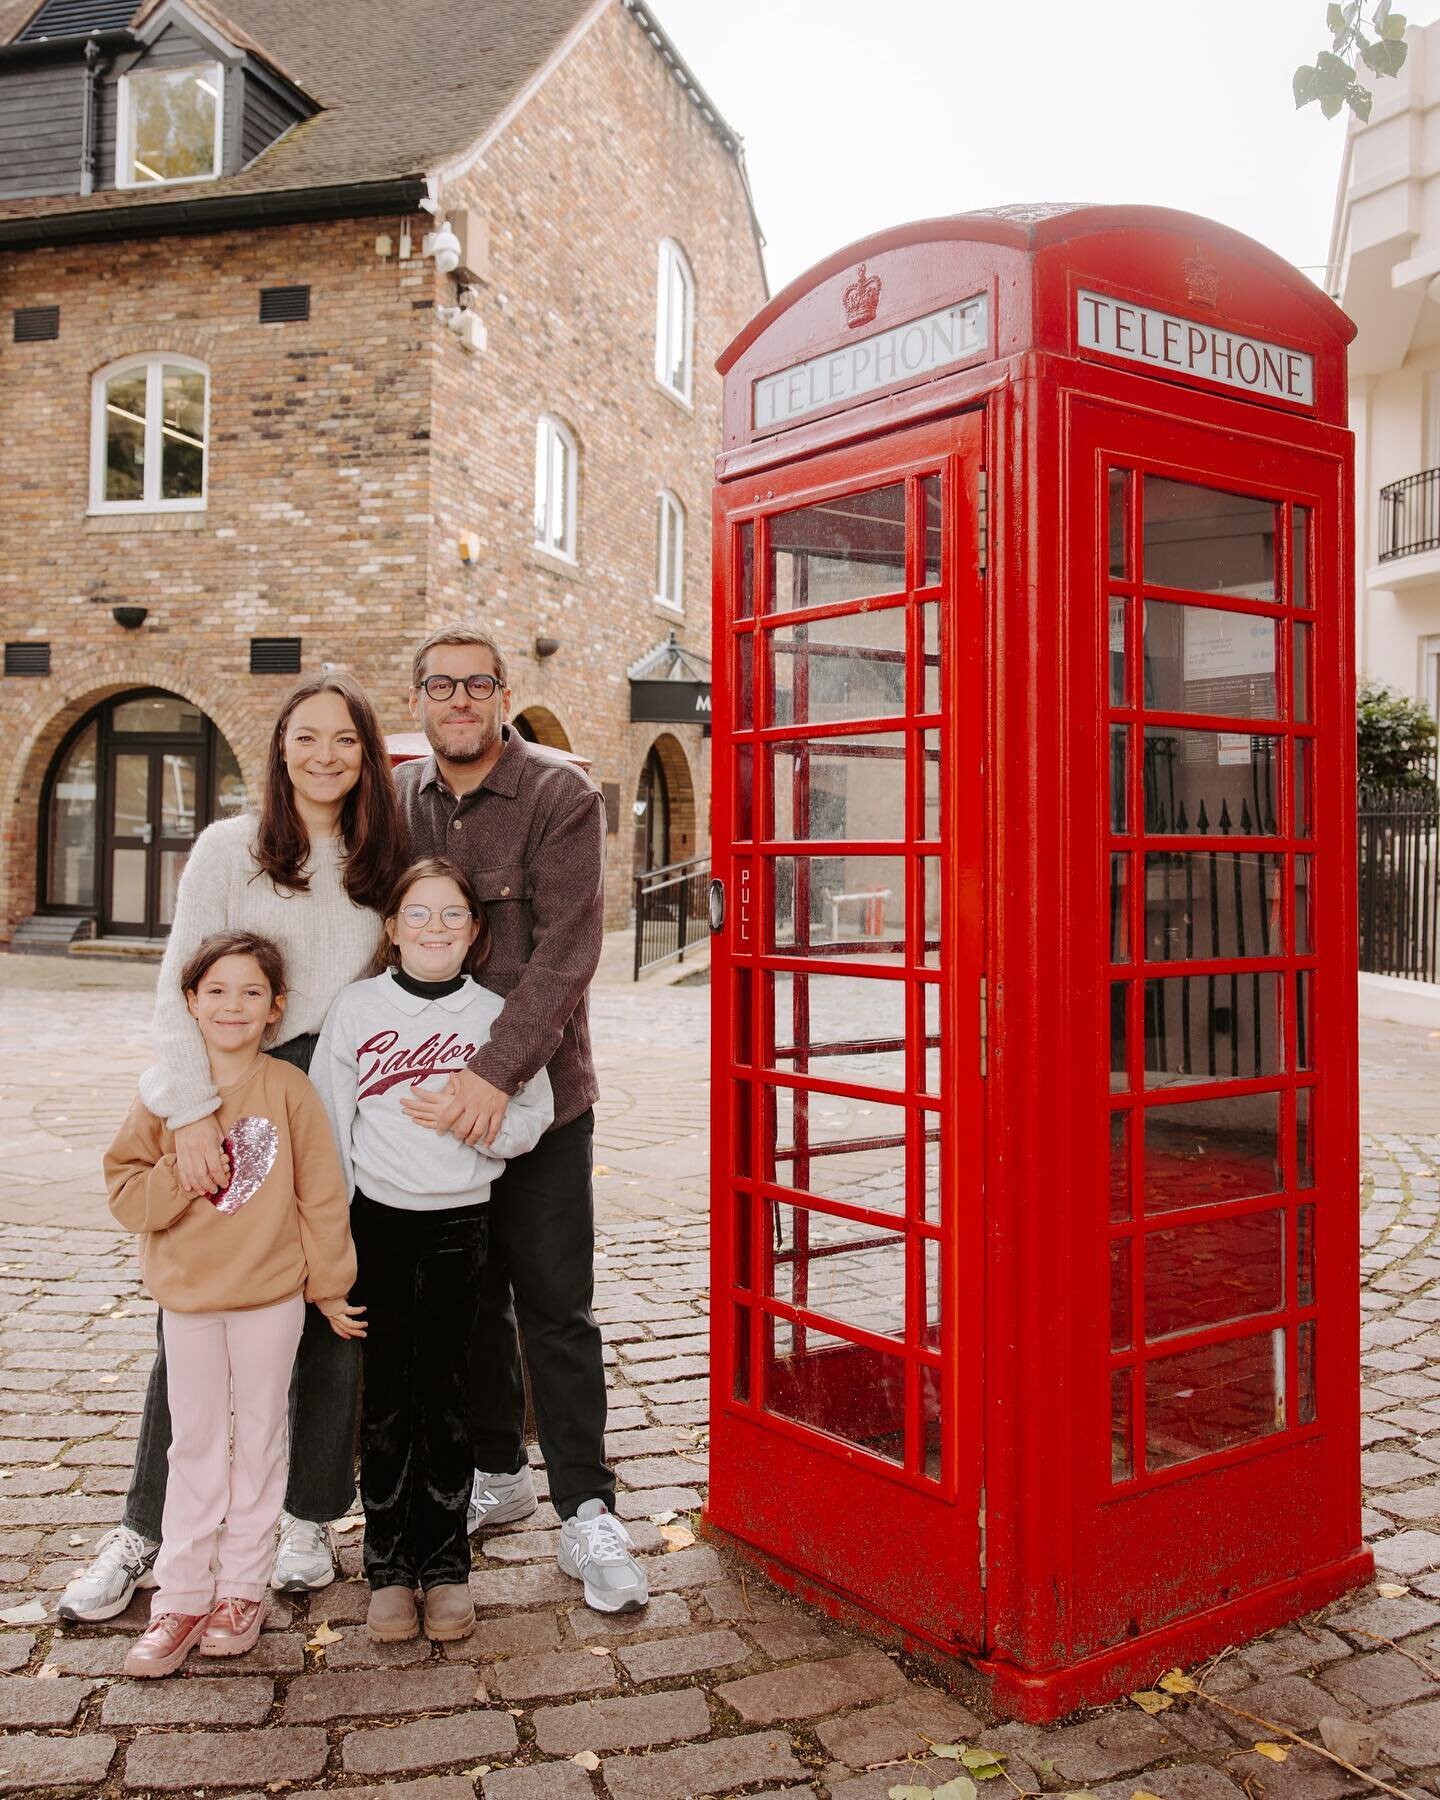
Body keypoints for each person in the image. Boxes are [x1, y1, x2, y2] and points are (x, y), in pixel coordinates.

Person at [60, 672, 405, 1624]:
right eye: (306, 737)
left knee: (335, 1303)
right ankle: (147, 1527)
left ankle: (306, 1516)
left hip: (337, 1098)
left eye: (345, 739)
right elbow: (180, 983)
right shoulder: (228, 848)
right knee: (202, 1318)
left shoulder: (383, 860)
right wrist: (189, 1110)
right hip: (233, 1085)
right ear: (280, 747)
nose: (324, 756)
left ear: (367, 754)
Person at [394, 625, 648, 1613]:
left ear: (503, 693)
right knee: (463, 1303)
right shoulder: (400, 803)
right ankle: (497, 1477)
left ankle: (586, 1510)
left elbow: (567, 955)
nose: (460, 699)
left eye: (478, 683)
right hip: (428, 1106)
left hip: (542, 1108)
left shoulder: (558, 795)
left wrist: (492, 1075)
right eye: (441, 684)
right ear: (418, 695)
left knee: (554, 1305)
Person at [105, 932, 363, 1677]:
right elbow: (125, 1193)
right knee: (192, 1446)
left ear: (276, 1008)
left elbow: (320, 1194)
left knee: (258, 1440)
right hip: (188, 1299)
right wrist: (180, 1177)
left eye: (252, 992)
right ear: (189, 1001)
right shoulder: (164, 1093)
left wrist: (330, 1285)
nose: (233, 1006)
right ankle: (180, 1597)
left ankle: (241, 1591)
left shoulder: (289, 1091)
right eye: (216, 990)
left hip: (269, 1299)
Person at [311, 857, 553, 1644]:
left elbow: (531, 1118)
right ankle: (387, 1565)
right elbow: (327, 1129)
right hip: (378, 1222)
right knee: (385, 1400)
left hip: (461, 1225)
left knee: (448, 1399)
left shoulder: (494, 1016)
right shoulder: (356, 1009)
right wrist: (333, 1237)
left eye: (453, 915)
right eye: (418, 914)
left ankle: (445, 1565)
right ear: (391, 929)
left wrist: (472, 1121)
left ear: (476, 932)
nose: (435, 929)